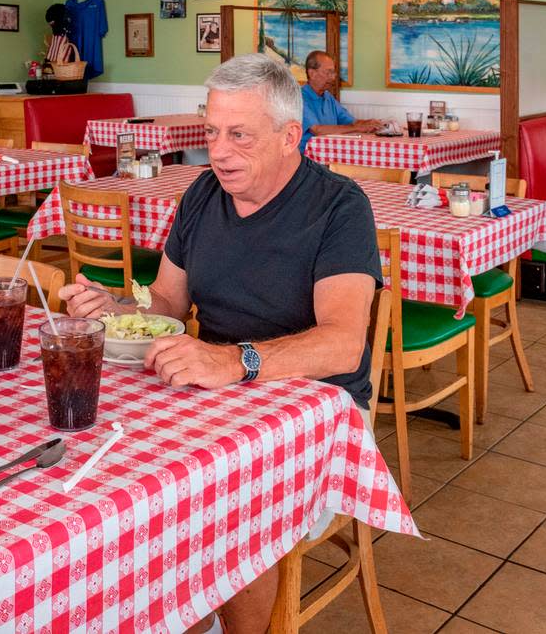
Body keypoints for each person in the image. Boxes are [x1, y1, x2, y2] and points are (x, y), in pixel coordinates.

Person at [60, 54, 381, 634]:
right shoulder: (203, 194)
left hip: (321, 416)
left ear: (290, 137)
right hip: (218, 400)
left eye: (239, 136)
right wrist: (116, 307)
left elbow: (342, 346)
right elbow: (166, 304)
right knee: (125, 492)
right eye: (211, 132)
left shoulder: (339, 206)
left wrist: (234, 360)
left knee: (228, 506)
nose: (219, 152)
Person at [299, 50, 382, 151]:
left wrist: (371, 123)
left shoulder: (328, 97)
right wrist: (358, 127)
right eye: (328, 72)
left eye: (333, 72)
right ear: (312, 73)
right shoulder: (299, 97)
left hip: (330, 156)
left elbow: (352, 122)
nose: (333, 77)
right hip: (308, 160)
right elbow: (317, 130)